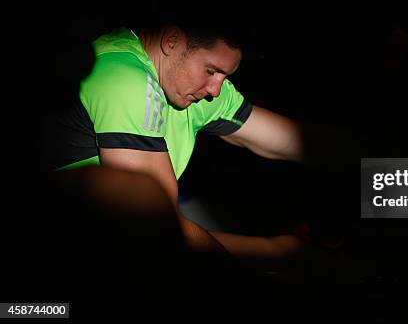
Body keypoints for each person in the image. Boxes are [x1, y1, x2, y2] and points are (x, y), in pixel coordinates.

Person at [45, 16, 315, 261]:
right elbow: (161, 230)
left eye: (225, 76)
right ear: (171, 40)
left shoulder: (191, 83)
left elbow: (296, 142)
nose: (216, 90)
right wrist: (273, 259)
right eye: (211, 71)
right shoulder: (124, 79)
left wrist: (360, 167)